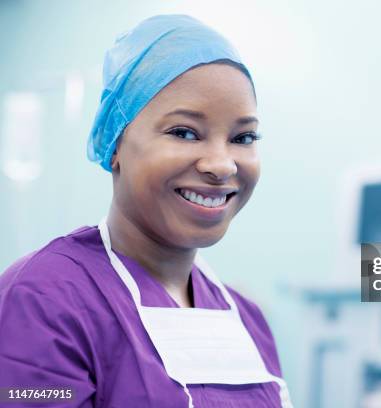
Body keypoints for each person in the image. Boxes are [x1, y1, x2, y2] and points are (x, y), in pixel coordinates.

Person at [0, 14, 292, 408]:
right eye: (184, 132)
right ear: (115, 141)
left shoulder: (246, 319)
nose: (222, 164)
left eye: (243, 137)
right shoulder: (43, 300)